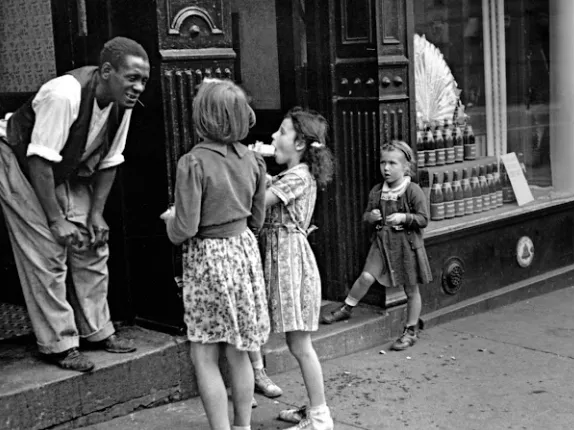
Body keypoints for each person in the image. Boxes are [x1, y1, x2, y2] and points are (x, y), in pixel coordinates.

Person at [0, 36, 151, 372]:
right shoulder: (65, 94)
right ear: (106, 71)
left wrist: (95, 215)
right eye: (131, 78)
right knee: (46, 249)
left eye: (143, 81)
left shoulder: (125, 105)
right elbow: (39, 162)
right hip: (20, 160)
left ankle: (97, 331)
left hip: (66, 165)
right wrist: (54, 220)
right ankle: (59, 344)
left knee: (93, 242)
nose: (138, 87)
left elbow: (109, 161)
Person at [161, 78, 270, 430]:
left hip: (207, 260)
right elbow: (257, 220)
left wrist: (169, 220)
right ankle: (243, 426)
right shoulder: (254, 161)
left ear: (202, 117)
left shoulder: (193, 162)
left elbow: (185, 229)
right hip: (242, 253)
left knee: (204, 354)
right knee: (238, 351)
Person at [254, 107, 335, 430]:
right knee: (296, 343)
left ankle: (319, 415)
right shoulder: (293, 175)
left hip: (291, 262)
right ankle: (313, 408)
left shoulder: (298, 176)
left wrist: (253, 162)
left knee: (300, 344)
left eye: (282, 132)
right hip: (284, 258)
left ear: (300, 143)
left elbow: (258, 199)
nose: (274, 137)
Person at [320, 140, 432, 352]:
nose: (386, 168)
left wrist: (404, 217)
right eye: (383, 163)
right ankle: (347, 306)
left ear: (406, 166)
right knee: (366, 277)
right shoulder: (377, 191)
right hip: (382, 243)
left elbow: (424, 218)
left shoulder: (412, 190)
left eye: (392, 163)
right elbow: (366, 215)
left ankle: (410, 329)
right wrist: (371, 217)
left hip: (406, 245)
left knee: (411, 289)